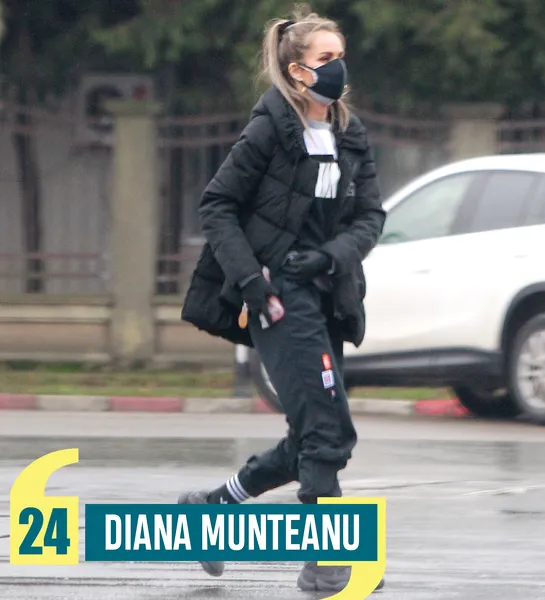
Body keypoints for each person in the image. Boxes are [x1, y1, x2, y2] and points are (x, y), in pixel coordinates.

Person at [179, 6, 386, 593]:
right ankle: (327, 561)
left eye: (341, 56)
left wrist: (332, 256)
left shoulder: (349, 132)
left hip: (329, 293)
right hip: (277, 296)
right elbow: (217, 205)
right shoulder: (270, 128)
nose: (338, 67)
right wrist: (252, 281)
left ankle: (211, 509)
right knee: (325, 430)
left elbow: (370, 216)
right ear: (298, 70)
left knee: (313, 435)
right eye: (326, 58)